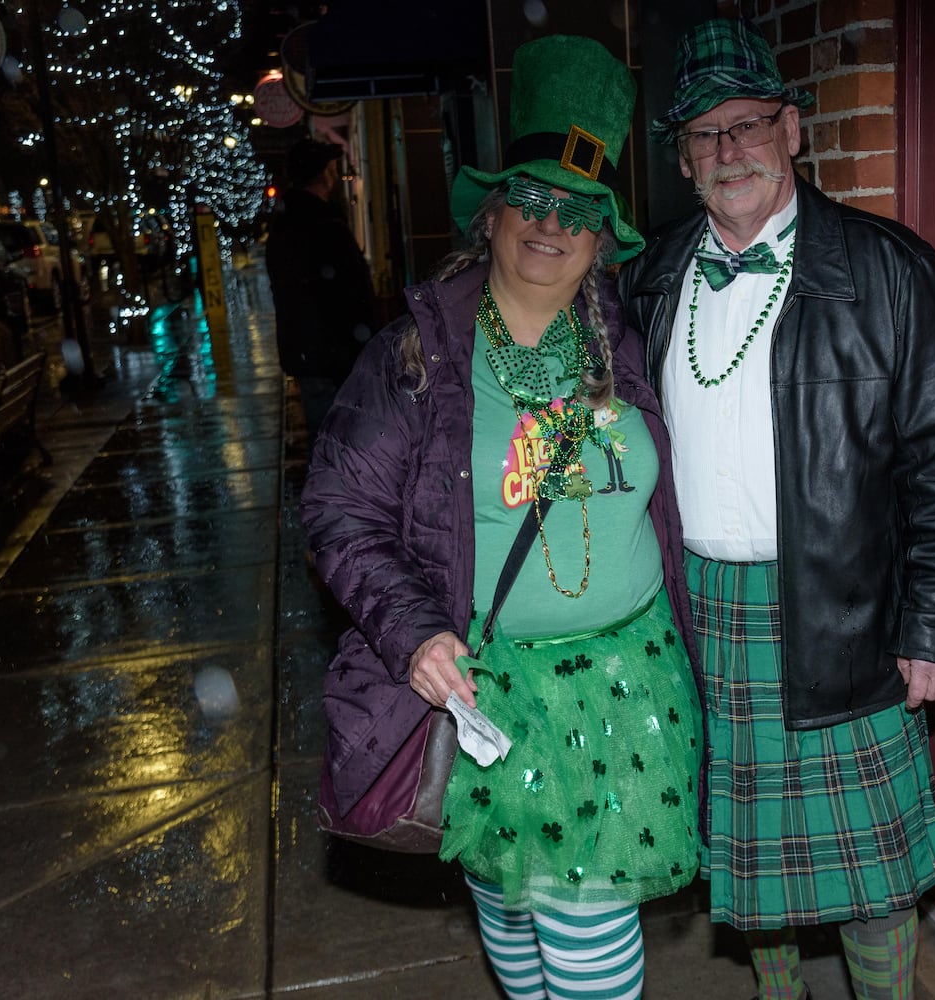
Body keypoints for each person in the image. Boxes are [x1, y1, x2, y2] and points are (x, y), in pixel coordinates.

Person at [300, 35, 703, 1000]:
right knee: (514, 918)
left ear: (603, 234)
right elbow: (338, 509)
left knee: (589, 941)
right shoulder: (417, 356)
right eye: (531, 195)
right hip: (491, 691)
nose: (549, 223)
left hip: (629, 683)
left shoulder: (633, 340)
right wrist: (412, 632)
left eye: (577, 209)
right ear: (493, 212)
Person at [618, 18, 935, 1000]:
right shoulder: (645, 280)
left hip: (842, 606)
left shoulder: (888, 270)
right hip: (696, 610)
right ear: (682, 159)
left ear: (791, 130)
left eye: (745, 125)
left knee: (869, 874)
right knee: (751, 866)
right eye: (702, 135)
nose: (727, 151)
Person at [266, 135, 378, 438]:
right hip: (334, 356)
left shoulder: (286, 223)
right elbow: (350, 294)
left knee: (326, 437)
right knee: (344, 439)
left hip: (309, 354)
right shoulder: (322, 223)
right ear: (324, 174)